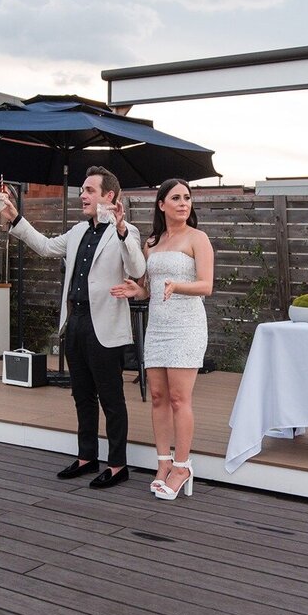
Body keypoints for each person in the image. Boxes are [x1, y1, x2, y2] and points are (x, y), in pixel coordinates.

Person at [0, 166, 146, 489]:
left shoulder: (126, 232)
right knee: (82, 395)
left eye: (89, 190)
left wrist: (119, 228)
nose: (82, 196)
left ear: (109, 196)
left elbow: (137, 267)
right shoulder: (76, 232)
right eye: (82, 191)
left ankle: (118, 464)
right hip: (74, 322)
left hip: (104, 325)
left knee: (111, 399)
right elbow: (47, 248)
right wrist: (15, 217)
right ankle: (87, 456)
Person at [110, 179, 214, 501]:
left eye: (187, 198)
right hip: (157, 328)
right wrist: (136, 291)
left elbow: (207, 285)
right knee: (157, 397)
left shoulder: (198, 238)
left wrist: (178, 286)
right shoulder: (152, 242)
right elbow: (148, 289)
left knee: (180, 400)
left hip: (187, 327)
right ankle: (163, 463)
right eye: (176, 198)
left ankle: (183, 466)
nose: (183, 203)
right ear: (161, 205)